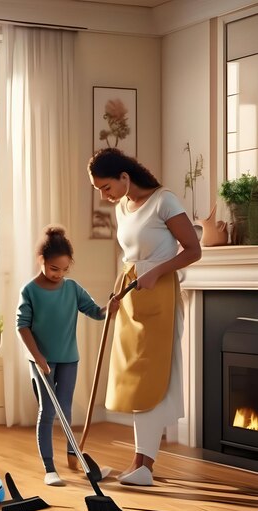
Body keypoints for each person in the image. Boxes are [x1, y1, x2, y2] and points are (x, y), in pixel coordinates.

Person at [87, 147, 201, 486]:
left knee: (153, 378)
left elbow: (193, 249)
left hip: (159, 297)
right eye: (99, 191)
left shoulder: (165, 201)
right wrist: (116, 292)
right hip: (132, 296)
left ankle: (145, 465)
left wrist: (157, 273)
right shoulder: (123, 207)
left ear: (125, 177)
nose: (104, 197)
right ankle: (140, 463)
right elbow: (130, 257)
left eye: (106, 187)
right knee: (136, 379)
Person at [16, 224, 119, 486]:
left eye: (64, 269)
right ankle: (49, 468)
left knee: (65, 408)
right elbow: (22, 326)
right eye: (53, 269)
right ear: (42, 261)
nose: (58, 274)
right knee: (48, 411)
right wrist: (37, 357)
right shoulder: (30, 290)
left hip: (69, 358)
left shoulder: (72, 288)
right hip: (42, 360)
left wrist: (111, 308)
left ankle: (74, 458)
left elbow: (95, 312)